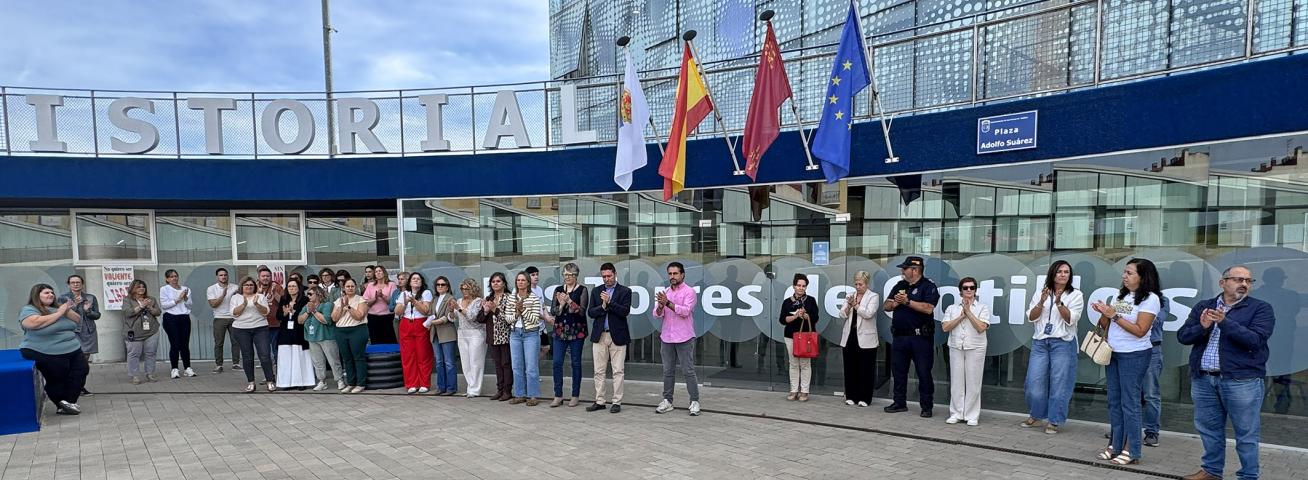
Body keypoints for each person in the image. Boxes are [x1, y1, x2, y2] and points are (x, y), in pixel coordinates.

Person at [1177, 266, 1276, 480]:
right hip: (1204, 379)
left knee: (1246, 434)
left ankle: (1248, 476)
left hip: (1242, 380)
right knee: (1209, 430)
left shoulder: (1260, 309)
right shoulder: (1205, 306)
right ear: (1222, 283)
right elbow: (1183, 336)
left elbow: (1255, 340)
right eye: (1238, 279)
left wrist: (1224, 322)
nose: (1244, 284)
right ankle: (1211, 471)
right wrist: (1202, 327)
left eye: (1249, 281)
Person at [1090, 258, 1162, 465]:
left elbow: (1140, 331)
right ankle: (1115, 444)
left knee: (1130, 403)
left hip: (1135, 354)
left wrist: (1114, 316)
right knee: (1114, 401)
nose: (1124, 276)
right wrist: (1104, 313)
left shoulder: (1150, 299)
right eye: (1125, 272)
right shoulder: (1120, 295)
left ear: (1143, 276)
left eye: (1130, 273)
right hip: (1114, 352)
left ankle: (1132, 450)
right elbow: (1106, 326)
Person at [1021, 260, 1084, 434]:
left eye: (1066, 272)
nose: (1063, 275)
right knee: (1034, 382)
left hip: (1062, 342)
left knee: (1060, 383)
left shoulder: (1075, 295)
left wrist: (1058, 303)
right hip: (1040, 342)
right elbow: (1031, 317)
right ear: (1053, 274)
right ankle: (1037, 414)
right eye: (1060, 272)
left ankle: (1054, 420)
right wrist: (1041, 302)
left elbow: (1071, 318)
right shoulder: (1041, 292)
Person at [883, 256, 940, 417]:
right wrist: (895, 303)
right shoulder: (900, 285)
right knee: (899, 372)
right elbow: (886, 306)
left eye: (905, 269)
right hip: (900, 337)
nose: (902, 271)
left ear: (914, 270)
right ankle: (899, 402)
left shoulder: (928, 286)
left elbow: (928, 308)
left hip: (920, 338)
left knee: (923, 372)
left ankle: (926, 406)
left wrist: (907, 302)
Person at [19, 283, 88, 415]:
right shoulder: (29, 309)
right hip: (43, 350)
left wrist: (66, 309)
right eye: (46, 293)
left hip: (72, 347)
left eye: (52, 293)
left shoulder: (58, 308)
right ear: (36, 295)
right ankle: (61, 404)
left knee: (82, 370)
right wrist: (60, 312)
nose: (50, 295)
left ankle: (68, 402)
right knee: (57, 378)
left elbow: (77, 319)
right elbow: (33, 323)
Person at [653, 261, 701, 416]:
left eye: (675, 273)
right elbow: (656, 314)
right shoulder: (666, 292)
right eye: (670, 274)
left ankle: (694, 401)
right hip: (667, 337)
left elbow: (685, 311)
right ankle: (667, 400)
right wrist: (661, 305)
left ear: (682, 274)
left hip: (684, 337)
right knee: (668, 371)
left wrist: (667, 303)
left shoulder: (689, 292)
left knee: (688, 371)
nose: (672, 276)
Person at [941, 277, 990, 426]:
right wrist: (961, 315)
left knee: (974, 381)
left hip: (975, 347)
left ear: (975, 290)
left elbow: (981, 327)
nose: (969, 290)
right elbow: (945, 327)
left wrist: (968, 313)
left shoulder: (982, 307)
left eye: (972, 287)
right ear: (960, 291)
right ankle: (956, 412)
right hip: (956, 346)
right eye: (966, 288)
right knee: (956, 381)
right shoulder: (952, 308)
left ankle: (972, 414)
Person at [586, 263, 631, 413]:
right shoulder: (596, 291)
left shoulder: (625, 291)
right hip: (600, 335)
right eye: (604, 276)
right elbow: (591, 312)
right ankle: (600, 400)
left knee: (618, 370)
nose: (607, 279)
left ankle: (617, 401)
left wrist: (610, 303)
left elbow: (625, 311)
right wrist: (603, 307)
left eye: (609, 276)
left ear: (615, 274)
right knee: (599, 371)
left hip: (617, 335)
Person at [549, 263, 588, 408]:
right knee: (557, 362)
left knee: (575, 363)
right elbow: (554, 311)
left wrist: (569, 301)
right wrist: (561, 305)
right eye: (565, 274)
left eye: (571, 275)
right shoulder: (558, 290)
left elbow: (582, 311)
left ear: (576, 276)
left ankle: (575, 395)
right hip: (560, 331)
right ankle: (558, 395)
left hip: (576, 331)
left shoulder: (582, 290)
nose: (567, 277)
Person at [839, 271, 880, 407]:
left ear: (867, 284)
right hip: (850, 336)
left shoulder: (873, 296)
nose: (857, 287)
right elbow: (842, 314)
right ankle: (851, 395)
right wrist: (849, 305)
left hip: (866, 338)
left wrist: (856, 305)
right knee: (850, 367)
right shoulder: (850, 296)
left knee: (866, 369)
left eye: (860, 284)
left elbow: (868, 314)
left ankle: (865, 398)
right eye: (856, 284)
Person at [779, 273, 820, 402]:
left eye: (804, 286)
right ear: (794, 286)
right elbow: (782, 320)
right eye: (799, 285)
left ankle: (804, 391)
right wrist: (796, 316)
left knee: (805, 364)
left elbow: (816, 318)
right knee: (793, 363)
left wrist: (806, 315)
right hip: (791, 336)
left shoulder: (811, 300)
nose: (801, 288)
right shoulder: (787, 302)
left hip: (806, 336)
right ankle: (794, 390)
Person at [505, 271, 543, 406]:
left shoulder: (534, 297)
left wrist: (523, 310)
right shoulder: (511, 298)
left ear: (528, 282)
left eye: (523, 280)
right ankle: (520, 394)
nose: (520, 282)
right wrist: (516, 313)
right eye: (518, 280)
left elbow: (535, 319)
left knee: (531, 366)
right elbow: (508, 319)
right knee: (516, 366)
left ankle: (533, 395)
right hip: (515, 333)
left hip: (531, 334)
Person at [230, 276, 274, 392]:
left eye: (251, 285)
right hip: (241, 329)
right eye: (246, 285)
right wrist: (244, 304)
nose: (249, 287)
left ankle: (270, 381)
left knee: (264, 355)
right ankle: (251, 382)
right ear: (242, 287)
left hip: (260, 328)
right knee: (247, 356)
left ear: (254, 286)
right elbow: (234, 314)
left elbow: (266, 312)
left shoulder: (260, 297)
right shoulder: (235, 298)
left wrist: (257, 304)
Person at [58, 275, 100, 396]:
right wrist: (74, 306)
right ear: (69, 285)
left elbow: (97, 315)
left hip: (88, 332)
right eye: (73, 282)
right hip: (72, 332)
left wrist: (88, 311)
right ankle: (71, 386)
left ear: (82, 284)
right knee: (73, 362)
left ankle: (80, 387)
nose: (75, 284)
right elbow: (61, 316)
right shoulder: (63, 298)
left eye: (78, 282)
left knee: (84, 363)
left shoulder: (91, 298)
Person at [300, 285, 344, 391]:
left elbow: (327, 320)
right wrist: (307, 312)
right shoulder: (307, 306)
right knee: (317, 361)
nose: (308, 296)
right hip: (312, 338)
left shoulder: (327, 305)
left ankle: (340, 380)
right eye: (307, 294)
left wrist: (314, 311)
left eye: (310, 294)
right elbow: (299, 320)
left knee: (333, 360)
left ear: (318, 294)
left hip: (326, 337)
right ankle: (322, 381)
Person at [395, 273, 433, 394]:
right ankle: (411, 383)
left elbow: (426, 310)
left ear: (422, 282)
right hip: (406, 323)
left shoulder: (426, 293)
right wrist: (405, 302)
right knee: (408, 355)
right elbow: (397, 312)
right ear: (409, 282)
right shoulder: (403, 293)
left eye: (418, 279)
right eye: (413, 279)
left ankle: (424, 383)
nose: (416, 280)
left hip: (420, 323)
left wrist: (415, 301)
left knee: (423, 354)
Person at [275, 279, 315, 390]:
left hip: (299, 331)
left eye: (294, 286)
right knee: (286, 358)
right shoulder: (284, 300)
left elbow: (305, 314)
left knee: (300, 357)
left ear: (299, 288)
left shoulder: (304, 300)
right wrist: (285, 313)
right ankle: (286, 383)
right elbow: (278, 316)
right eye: (289, 286)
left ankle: (302, 382)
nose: (292, 288)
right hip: (285, 332)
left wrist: (294, 311)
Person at [332, 278, 370, 393]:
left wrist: (348, 307)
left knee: (358, 357)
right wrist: (342, 308)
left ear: (356, 287)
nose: (350, 288)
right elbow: (334, 318)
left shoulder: (361, 300)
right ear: (344, 288)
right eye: (347, 286)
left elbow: (359, 316)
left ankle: (360, 383)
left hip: (357, 330)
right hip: (341, 331)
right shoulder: (339, 301)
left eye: (352, 286)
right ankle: (351, 382)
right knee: (347, 358)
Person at [123, 279, 162, 384]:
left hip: (152, 331)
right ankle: (134, 376)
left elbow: (158, 312)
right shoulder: (127, 300)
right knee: (134, 354)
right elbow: (127, 313)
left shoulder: (151, 299)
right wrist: (141, 306)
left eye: (143, 286)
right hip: (134, 332)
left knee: (151, 353)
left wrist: (149, 306)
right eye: (138, 287)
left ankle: (150, 374)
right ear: (133, 289)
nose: (141, 288)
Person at [1142, 294, 1169, 447]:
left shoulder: (1161, 300)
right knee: (1127, 393)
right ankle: (1122, 429)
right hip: (1129, 349)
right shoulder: (1127, 297)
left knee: (1151, 394)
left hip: (1152, 349)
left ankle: (1152, 432)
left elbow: (1156, 321)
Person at [159, 269, 196, 379]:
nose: (174, 278)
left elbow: (190, 305)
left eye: (175, 276)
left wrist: (185, 299)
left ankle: (187, 368)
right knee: (175, 343)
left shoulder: (186, 289)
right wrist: (177, 299)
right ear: (167, 279)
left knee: (185, 344)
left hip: (184, 317)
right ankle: (174, 369)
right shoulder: (164, 289)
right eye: (171, 277)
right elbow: (164, 305)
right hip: (171, 317)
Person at [452, 278, 486, 397]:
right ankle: (470, 387)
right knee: (465, 363)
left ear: (473, 289)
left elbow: (472, 317)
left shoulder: (478, 301)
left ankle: (475, 389)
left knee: (476, 362)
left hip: (476, 333)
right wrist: (452, 311)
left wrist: (459, 308)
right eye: (462, 288)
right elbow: (453, 318)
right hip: (462, 333)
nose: (464, 291)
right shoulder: (459, 300)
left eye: (467, 288)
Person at [482, 272, 513, 401]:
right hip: (493, 336)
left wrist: (495, 310)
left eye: (498, 281)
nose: (495, 283)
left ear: (504, 283)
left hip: (505, 335)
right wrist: (485, 311)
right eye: (493, 281)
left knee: (506, 364)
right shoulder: (489, 298)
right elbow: (480, 319)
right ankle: (499, 390)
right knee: (497, 364)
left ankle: (507, 391)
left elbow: (508, 319)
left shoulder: (509, 297)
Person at [427, 276, 459, 395]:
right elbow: (430, 314)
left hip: (447, 333)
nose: (440, 286)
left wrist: (433, 322)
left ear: (447, 286)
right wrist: (429, 321)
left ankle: (451, 388)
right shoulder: (434, 299)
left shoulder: (450, 298)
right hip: (435, 334)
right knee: (439, 361)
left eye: (443, 284)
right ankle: (441, 387)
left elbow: (447, 318)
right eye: (438, 284)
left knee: (449, 362)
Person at [206, 268, 240, 373]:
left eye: (225, 275)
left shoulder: (235, 287)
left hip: (234, 318)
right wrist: (223, 295)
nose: (223, 277)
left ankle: (236, 363)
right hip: (219, 318)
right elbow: (213, 304)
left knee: (236, 342)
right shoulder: (211, 289)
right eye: (221, 275)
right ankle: (219, 365)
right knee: (219, 343)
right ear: (217, 277)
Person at [526, 266, 554, 365]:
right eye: (533, 275)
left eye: (537, 274)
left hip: (541, 326)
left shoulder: (539, 289)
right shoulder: (525, 291)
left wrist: (548, 316)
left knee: (546, 348)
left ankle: (531, 368)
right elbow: (530, 311)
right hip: (531, 327)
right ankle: (530, 371)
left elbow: (542, 306)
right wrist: (546, 318)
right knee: (532, 351)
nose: (536, 277)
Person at [256, 266, 284, 365]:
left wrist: (274, 293)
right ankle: (268, 375)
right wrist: (258, 294)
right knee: (264, 351)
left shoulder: (276, 286)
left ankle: (279, 374)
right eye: (263, 276)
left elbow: (283, 302)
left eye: (268, 276)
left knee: (277, 350)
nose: (265, 278)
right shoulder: (254, 287)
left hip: (275, 324)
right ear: (259, 277)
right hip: (259, 324)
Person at [364, 265, 397, 344]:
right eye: (376, 271)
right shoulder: (370, 285)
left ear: (384, 272)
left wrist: (382, 296)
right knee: (375, 339)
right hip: (373, 317)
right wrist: (375, 298)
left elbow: (392, 302)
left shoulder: (391, 284)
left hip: (387, 317)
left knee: (389, 339)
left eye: (380, 271)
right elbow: (366, 302)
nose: (378, 273)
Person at [391, 271, 411, 343]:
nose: (399, 281)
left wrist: (400, 305)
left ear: (408, 280)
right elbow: (390, 307)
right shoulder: (396, 292)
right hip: (396, 319)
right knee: (399, 340)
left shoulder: (411, 291)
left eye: (402, 279)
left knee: (408, 340)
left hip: (407, 318)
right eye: (399, 279)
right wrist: (398, 306)